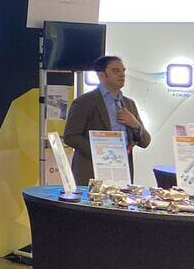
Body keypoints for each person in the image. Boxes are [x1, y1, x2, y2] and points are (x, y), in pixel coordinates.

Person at [62, 55, 151, 184]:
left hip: (121, 174)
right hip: (92, 171)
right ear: (101, 75)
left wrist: (135, 125)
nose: (122, 75)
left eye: (123, 70)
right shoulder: (85, 102)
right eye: (116, 71)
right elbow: (70, 136)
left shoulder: (129, 104)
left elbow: (146, 142)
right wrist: (101, 152)